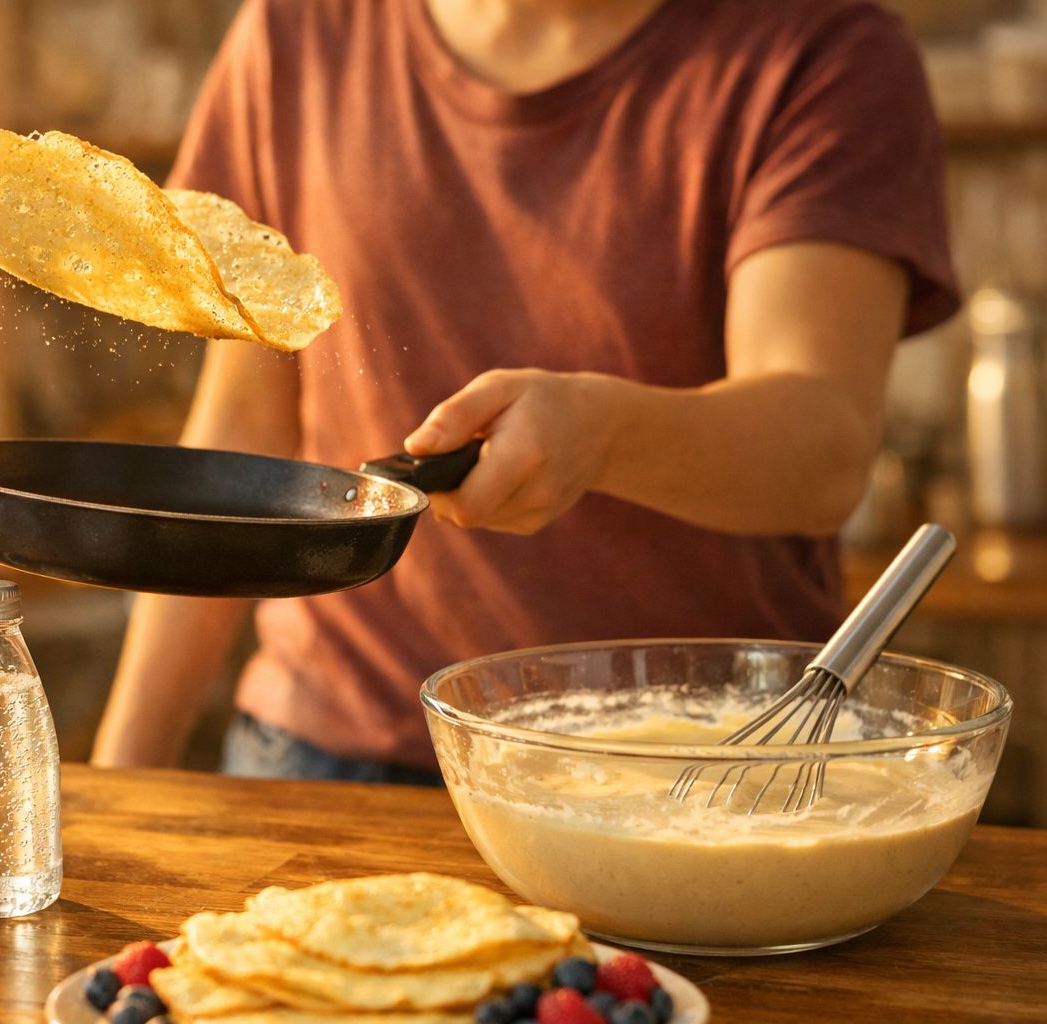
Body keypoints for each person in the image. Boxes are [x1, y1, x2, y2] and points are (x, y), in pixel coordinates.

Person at [91, 0, 957, 782]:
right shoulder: (297, 33)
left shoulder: (821, 52)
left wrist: (604, 433)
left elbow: (821, 449)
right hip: (328, 755)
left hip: (694, 760)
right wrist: (122, 769)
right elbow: (242, 433)